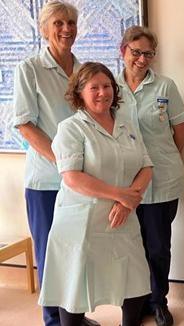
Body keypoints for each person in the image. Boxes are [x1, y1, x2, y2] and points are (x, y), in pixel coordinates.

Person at [38, 62, 153, 326]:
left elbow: (147, 166)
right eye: (94, 88)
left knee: (134, 278)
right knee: (75, 284)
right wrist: (121, 195)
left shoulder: (126, 124)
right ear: (79, 93)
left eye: (107, 86)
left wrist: (127, 202)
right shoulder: (71, 128)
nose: (103, 92)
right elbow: (71, 176)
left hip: (121, 216)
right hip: (82, 220)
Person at [11, 2, 97, 325]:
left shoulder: (84, 70)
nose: (66, 29)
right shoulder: (29, 68)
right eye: (59, 23)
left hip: (83, 181)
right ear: (45, 29)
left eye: (71, 23)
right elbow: (25, 124)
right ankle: (53, 320)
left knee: (78, 253)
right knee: (51, 256)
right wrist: (63, 161)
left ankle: (74, 315)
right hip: (47, 181)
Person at [116, 26, 184, 326]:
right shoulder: (110, 87)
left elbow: (181, 131)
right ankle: (135, 302)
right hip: (124, 183)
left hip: (161, 182)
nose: (142, 59)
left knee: (158, 247)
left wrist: (165, 158)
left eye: (148, 54)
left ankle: (158, 301)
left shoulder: (166, 86)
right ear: (123, 51)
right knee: (130, 247)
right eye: (136, 52)